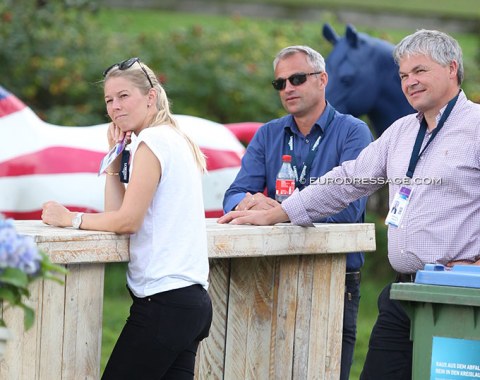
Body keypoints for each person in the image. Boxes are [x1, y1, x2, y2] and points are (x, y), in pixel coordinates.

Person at [219, 30, 480, 379]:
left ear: (451, 69)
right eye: (403, 75)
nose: (410, 82)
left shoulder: (475, 127)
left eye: (419, 71)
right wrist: (278, 213)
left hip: (460, 298)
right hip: (404, 291)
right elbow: (347, 179)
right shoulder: (402, 131)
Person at [42, 57, 213, 379]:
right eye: (109, 100)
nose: (115, 107)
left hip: (164, 302)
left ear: (150, 97)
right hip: (189, 302)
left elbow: (127, 222)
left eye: (123, 96)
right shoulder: (170, 139)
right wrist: (114, 159)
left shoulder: (153, 141)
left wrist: (70, 219)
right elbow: (116, 215)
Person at [223, 45, 373, 380]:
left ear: (322, 80)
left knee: (326, 372)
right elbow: (233, 194)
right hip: (273, 269)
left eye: (297, 78)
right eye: (280, 83)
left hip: (333, 274)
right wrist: (251, 203)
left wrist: (282, 211)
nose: (288, 88)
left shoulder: (354, 132)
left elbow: (349, 210)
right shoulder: (268, 134)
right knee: (267, 370)